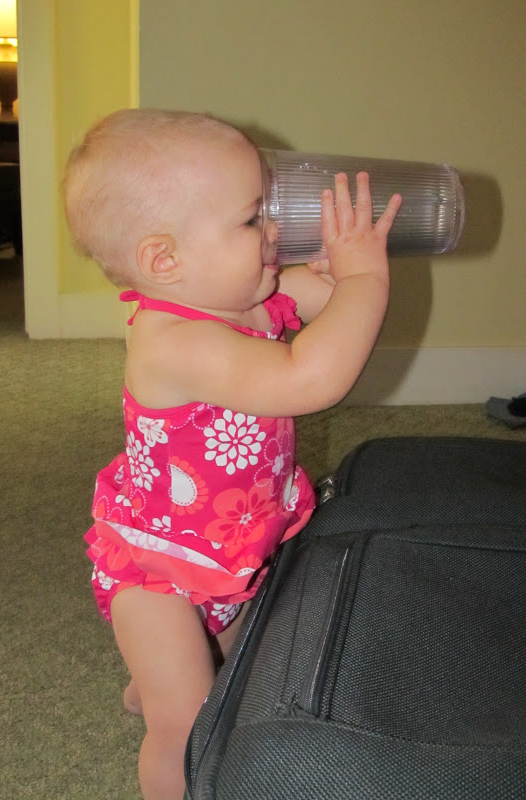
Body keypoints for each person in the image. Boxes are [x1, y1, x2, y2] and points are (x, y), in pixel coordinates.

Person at [63, 108, 401, 800]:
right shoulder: (174, 342)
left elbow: (332, 304)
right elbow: (310, 377)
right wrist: (366, 281)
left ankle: (153, 681)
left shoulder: (247, 294)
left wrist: (343, 274)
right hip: (161, 572)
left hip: (233, 544)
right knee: (188, 722)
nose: (273, 231)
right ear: (165, 261)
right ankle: (165, 716)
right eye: (252, 220)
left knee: (224, 665)